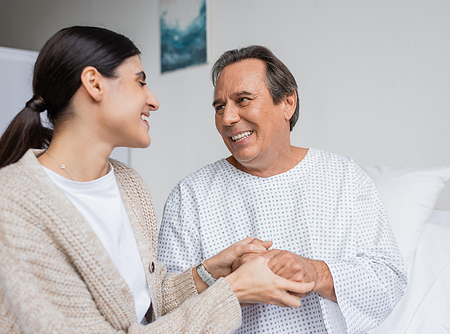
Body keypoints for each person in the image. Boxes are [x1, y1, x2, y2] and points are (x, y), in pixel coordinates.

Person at [0, 28, 314, 333]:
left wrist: (212, 271)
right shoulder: (13, 202)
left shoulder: (128, 185)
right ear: (94, 83)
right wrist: (232, 291)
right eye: (140, 82)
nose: (153, 100)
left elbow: (150, 305)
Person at [158, 45, 408, 333]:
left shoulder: (343, 176)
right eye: (219, 107)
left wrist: (315, 272)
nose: (227, 118)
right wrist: (224, 282)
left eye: (243, 100)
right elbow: (163, 309)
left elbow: (389, 278)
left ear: (287, 102)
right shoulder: (190, 195)